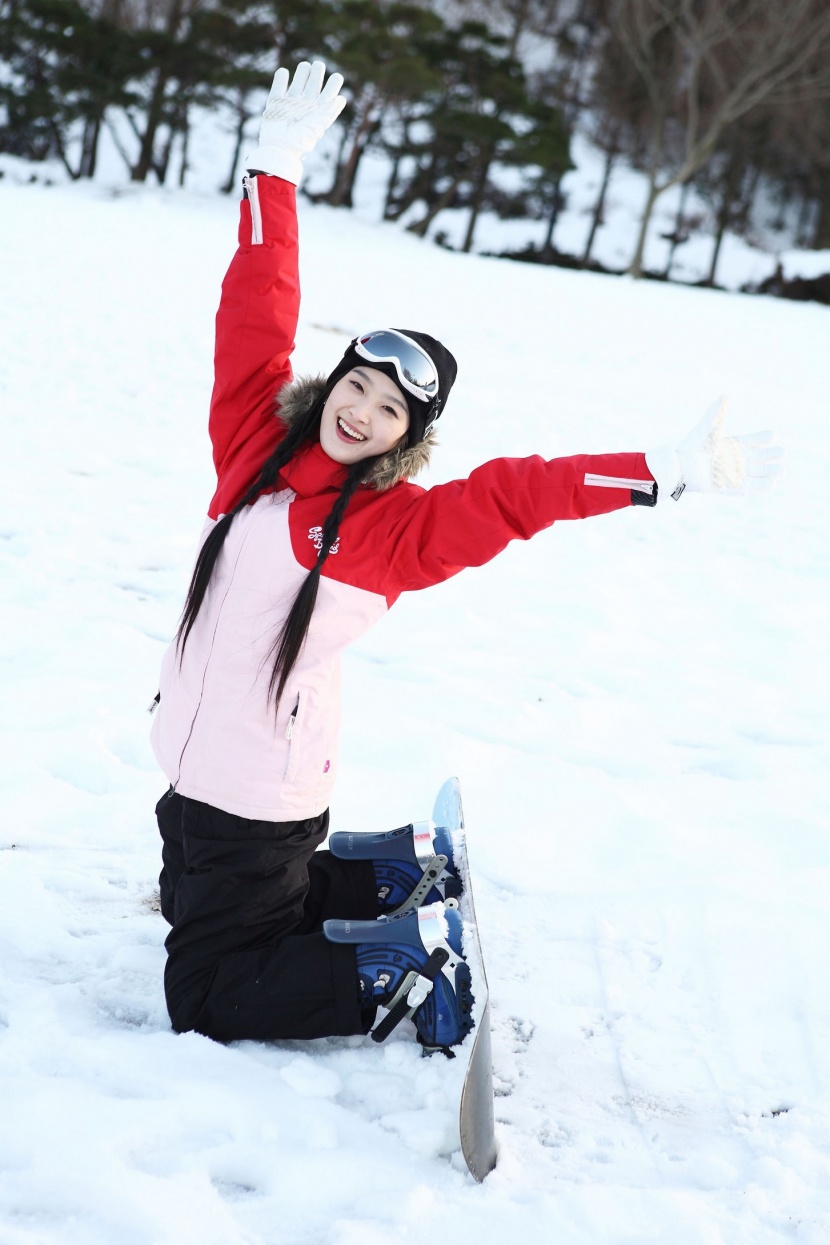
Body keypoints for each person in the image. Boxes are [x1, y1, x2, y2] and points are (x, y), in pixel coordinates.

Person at [150, 61, 783, 1053]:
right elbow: (255, 309)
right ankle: (389, 873)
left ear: (404, 436)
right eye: (357, 384)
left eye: (388, 409)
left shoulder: (389, 532)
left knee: (209, 989)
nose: (360, 410)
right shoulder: (254, 446)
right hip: (191, 767)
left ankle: (397, 968)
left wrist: (660, 470)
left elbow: (518, 493)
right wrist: (274, 165)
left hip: (255, 792)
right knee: (186, 896)